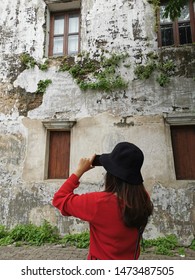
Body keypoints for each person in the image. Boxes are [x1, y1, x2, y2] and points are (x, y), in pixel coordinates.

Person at [52, 142, 153, 260]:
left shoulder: (98, 203)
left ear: (111, 175)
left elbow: (59, 199)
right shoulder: (142, 199)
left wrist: (79, 171)